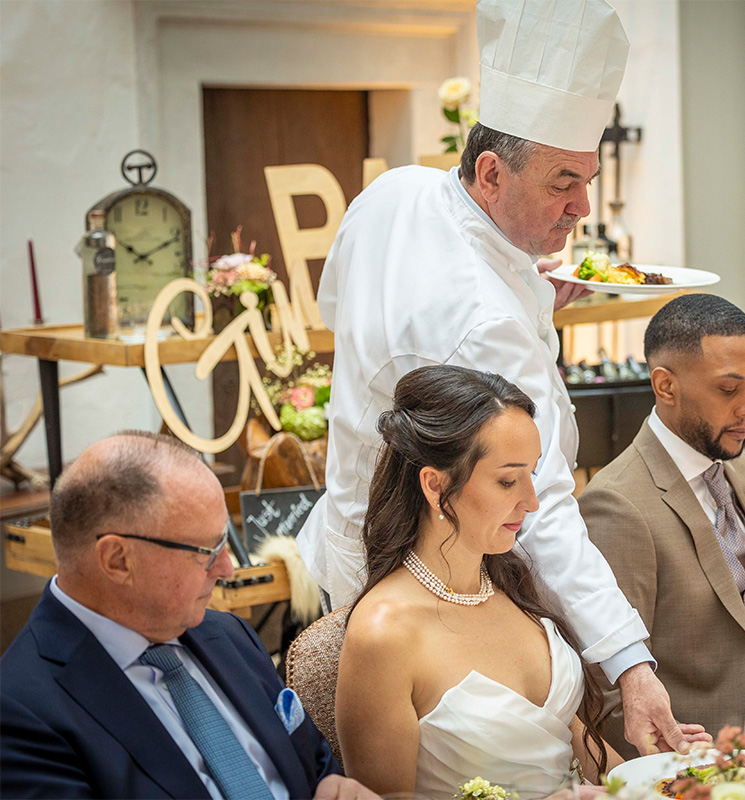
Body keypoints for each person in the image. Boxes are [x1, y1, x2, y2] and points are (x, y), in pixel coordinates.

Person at [297, 0, 686, 756]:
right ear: (489, 171)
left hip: (339, 544)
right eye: (563, 183)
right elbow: (540, 506)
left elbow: (333, 304)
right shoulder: (486, 320)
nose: (581, 207)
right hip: (418, 574)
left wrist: (534, 292)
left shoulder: (394, 193)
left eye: (589, 180)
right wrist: (632, 664)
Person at [335, 366, 709, 796]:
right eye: (508, 480)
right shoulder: (384, 635)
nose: (531, 502)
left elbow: (570, 749)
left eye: (532, 475)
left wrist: (659, 778)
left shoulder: (511, 585)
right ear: (435, 486)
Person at [0, 432, 373, 800]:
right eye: (206, 552)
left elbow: (314, 764)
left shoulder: (227, 634)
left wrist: (332, 787)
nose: (226, 568)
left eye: (225, 543)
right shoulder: (22, 713)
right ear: (117, 560)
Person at [577, 295, 745, 757]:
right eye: (729, 389)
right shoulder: (617, 503)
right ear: (665, 386)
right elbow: (611, 689)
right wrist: (687, 767)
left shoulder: (742, 469)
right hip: (700, 762)